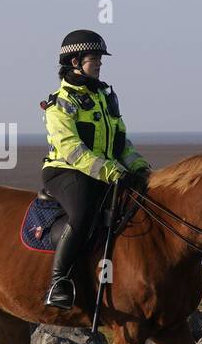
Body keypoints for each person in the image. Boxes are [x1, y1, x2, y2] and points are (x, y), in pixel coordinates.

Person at [40, 30, 150, 309]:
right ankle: (59, 282)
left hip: (104, 170)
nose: (100, 63)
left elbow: (121, 141)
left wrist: (139, 167)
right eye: (94, 58)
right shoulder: (60, 103)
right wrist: (111, 171)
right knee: (84, 210)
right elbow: (72, 150)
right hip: (66, 172)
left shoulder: (105, 96)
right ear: (75, 61)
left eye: (100, 58)